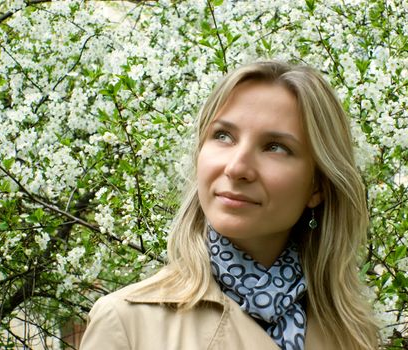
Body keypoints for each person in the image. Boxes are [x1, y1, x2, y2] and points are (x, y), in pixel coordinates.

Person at [80, 61, 379, 349]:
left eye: (275, 147)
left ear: (317, 187)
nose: (237, 168)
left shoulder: (350, 333)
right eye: (223, 136)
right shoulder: (128, 324)